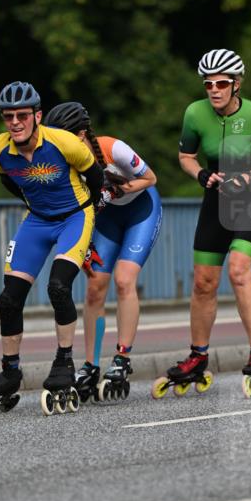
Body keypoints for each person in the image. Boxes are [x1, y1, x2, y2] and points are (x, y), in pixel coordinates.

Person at [0, 81, 104, 411]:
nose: (15, 122)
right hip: (37, 220)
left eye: (22, 115)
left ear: (37, 116)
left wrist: (92, 215)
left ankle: (64, 363)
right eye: (8, 116)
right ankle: (10, 373)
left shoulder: (65, 143)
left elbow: (96, 178)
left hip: (75, 216)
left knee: (58, 287)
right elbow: (8, 180)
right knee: (9, 298)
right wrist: (34, 203)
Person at [170, 48, 251, 397]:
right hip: (216, 200)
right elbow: (185, 156)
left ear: (236, 84)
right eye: (208, 84)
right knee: (204, 281)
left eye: (221, 83)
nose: (214, 90)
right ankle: (198, 356)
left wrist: (249, 177)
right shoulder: (194, 113)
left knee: (238, 270)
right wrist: (200, 173)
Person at [44, 101, 162, 398]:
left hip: (140, 211)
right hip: (106, 219)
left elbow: (150, 178)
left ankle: (122, 359)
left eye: (64, 137)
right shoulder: (63, 161)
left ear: (82, 134)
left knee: (124, 280)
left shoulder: (114, 148)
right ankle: (90, 364)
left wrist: (117, 189)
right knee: (95, 287)